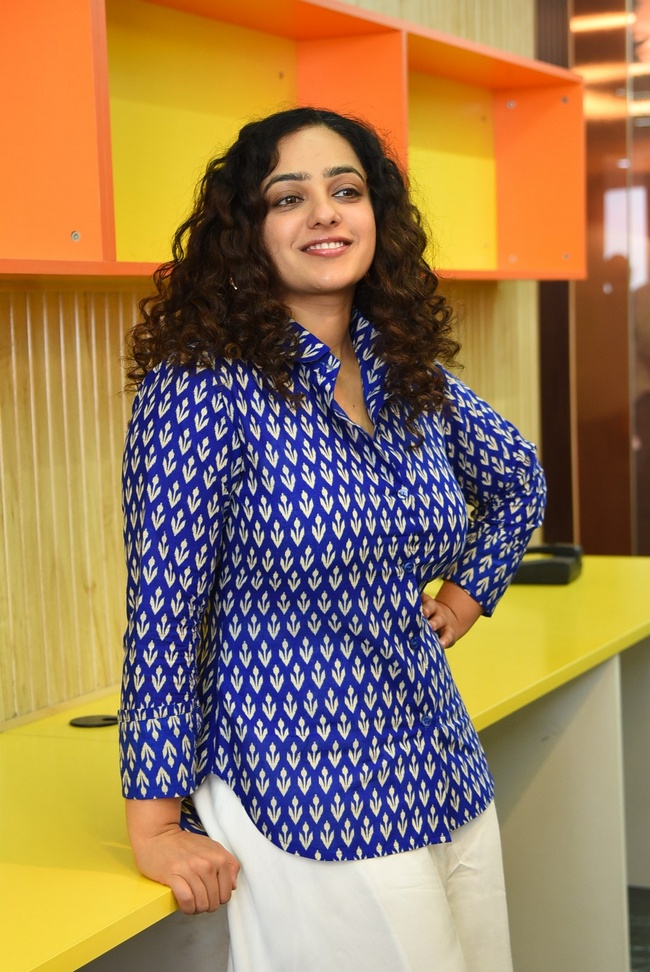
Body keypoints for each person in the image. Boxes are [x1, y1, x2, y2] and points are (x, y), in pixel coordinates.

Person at [119, 106, 546, 972]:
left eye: (346, 191)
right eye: (289, 198)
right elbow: (163, 614)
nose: (324, 213)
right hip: (306, 785)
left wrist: (467, 596)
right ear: (248, 232)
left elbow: (519, 480)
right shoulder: (201, 388)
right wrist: (156, 823)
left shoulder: (406, 370)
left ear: (376, 216)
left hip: (442, 764)